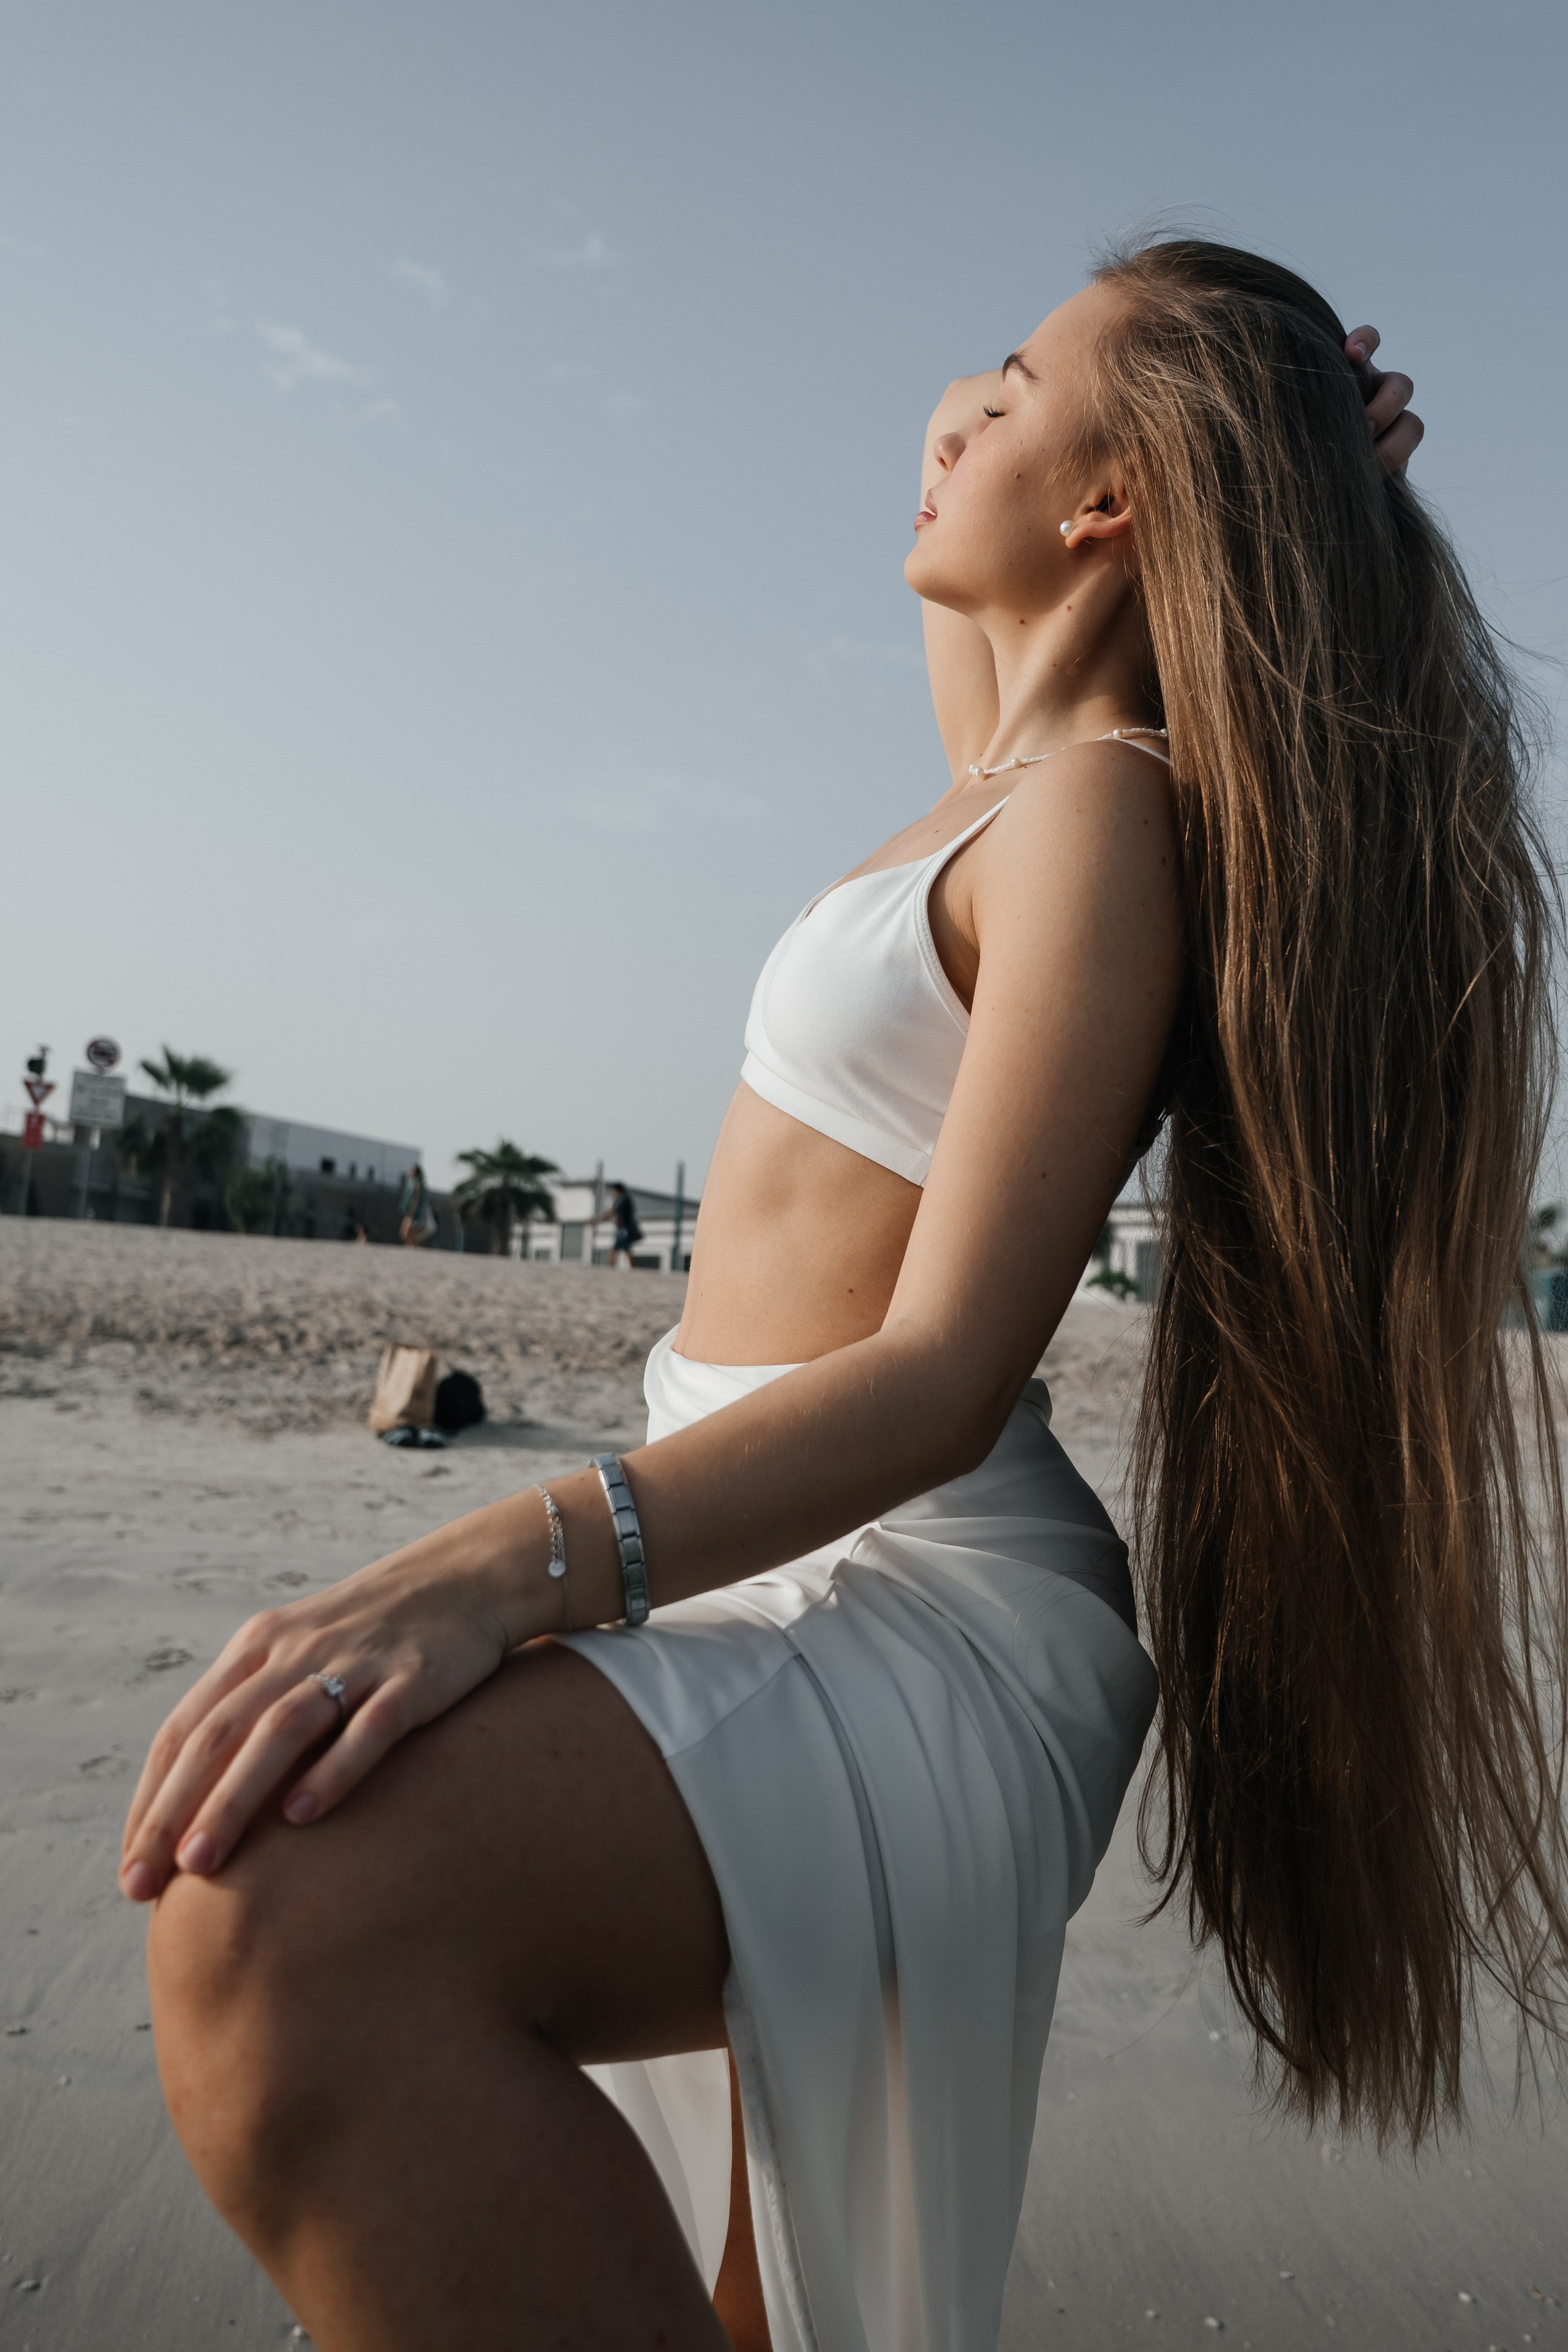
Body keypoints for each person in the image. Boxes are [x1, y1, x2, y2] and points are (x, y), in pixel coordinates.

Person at [121, 243, 1568, 2352]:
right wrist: (1271, 489)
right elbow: (1020, 646)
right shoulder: (1007, 779)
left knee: (284, 1926)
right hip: (773, 1556)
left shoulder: (1103, 822)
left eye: (1010, 375)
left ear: (1115, 497)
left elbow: (939, 1372)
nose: (949, 405)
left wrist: (490, 1569)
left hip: (910, 1592)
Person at [596, 1178, 643, 1268]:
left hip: (624, 1228)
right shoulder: (622, 1199)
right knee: (626, 1248)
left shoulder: (623, 1199)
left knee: (616, 1248)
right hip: (623, 1228)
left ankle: (611, 1267)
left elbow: (612, 1212)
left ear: (617, 1190)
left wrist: (597, 1220)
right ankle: (630, 1268)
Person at [397, 1163, 437, 1248]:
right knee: (407, 1235)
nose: (411, 1173)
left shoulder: (418, 1184)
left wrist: (412, 1212)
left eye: (413, 1171)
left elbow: (416, 1200)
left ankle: (413, 1249)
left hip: (415, 1214)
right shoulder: (415, 1183)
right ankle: (412, 1249)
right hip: (414, 1213)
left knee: (407, 1234)